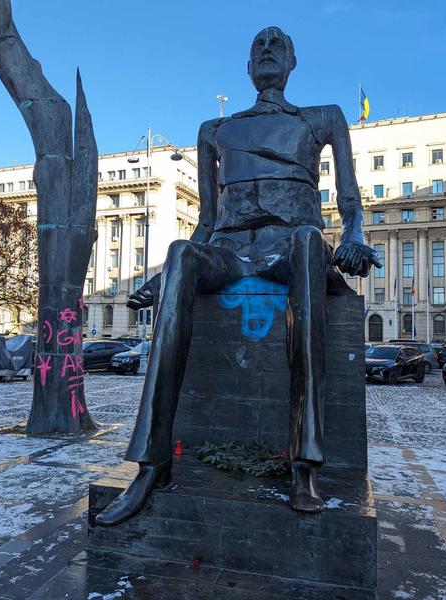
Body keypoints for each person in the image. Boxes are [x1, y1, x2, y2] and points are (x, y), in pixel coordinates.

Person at [95, 27, 380, 527]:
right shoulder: (215, 130)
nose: (267, 50)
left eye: (276, 45)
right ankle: (151, 464)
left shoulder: (323, 118)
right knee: (180, 252)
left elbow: (351, 204)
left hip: (291, 246)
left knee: (310, 240)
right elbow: (207, 220)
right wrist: (168, 277)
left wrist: (354, 238)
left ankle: (304, 463)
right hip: (231, 249)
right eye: (258, 46)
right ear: (249, 68)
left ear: (292, 63)